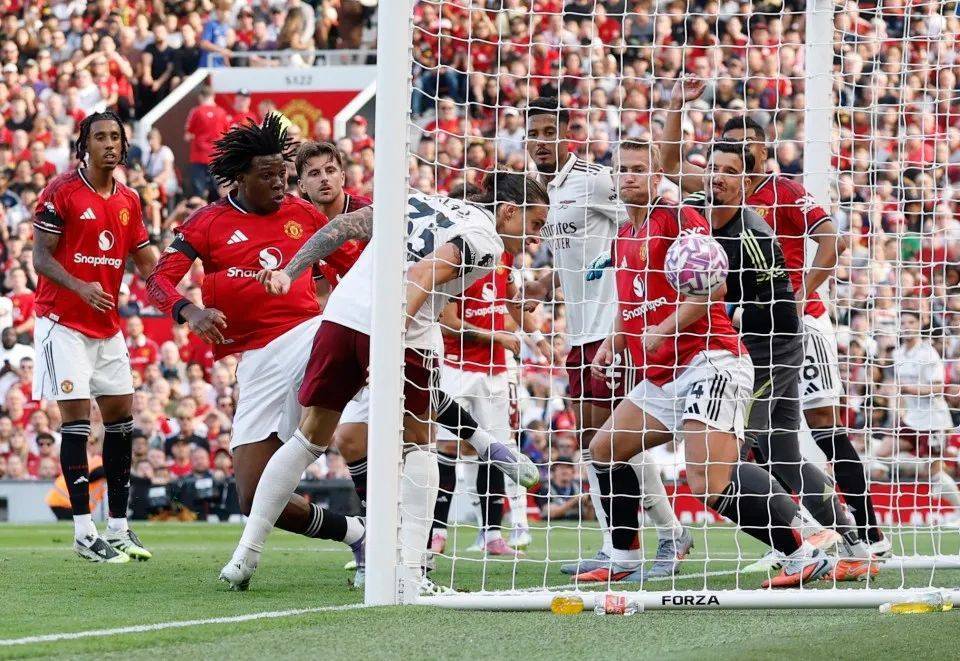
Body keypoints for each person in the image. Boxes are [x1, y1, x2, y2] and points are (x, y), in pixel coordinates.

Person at [222, 173, 547, 592]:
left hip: (342, 317)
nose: (536, 238)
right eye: (535, 224)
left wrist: (290, 270)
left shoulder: (419, 200)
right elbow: (422, 275)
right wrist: (391, 341)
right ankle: (410, 574)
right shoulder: (485, 240)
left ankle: (244, 556)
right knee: (420, 445)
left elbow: (343, 227)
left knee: (309, 437)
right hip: (401, 331)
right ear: (508, 211)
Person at [580, 139, 830, 589]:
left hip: (710, 362)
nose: (629, 176)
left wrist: (664, 328)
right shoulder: (624, 236)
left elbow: (714, 288)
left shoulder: (680, 219)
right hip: (664, 375)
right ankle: (622, 556)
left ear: (658, 176)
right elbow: (630, 300)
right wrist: (612, 342)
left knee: (707, 484)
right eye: (623, 169)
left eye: (639, 168)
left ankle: (802, 552)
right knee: (604, 450)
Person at [662, 77, 886, 556]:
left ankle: (815, 537)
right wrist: (677, 105)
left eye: (738, 159)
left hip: (776, 339)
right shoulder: (710, 201)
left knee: (750, 445)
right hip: (755, 341)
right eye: (716, 163)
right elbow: (670, 166)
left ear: (756, 163)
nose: (719, 173)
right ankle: (852, 541)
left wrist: (801, 294)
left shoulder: (760, 222)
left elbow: (816, 255)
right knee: (782, 452)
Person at [146, 115, 367, 583]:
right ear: (240, 178)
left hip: (308, 336)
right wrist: (189, 312)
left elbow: (354, 263)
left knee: (354, 411)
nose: (280, 184)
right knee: (252, 496)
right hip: (257, 362)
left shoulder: (304, 214)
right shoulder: (207, 222)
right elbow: (158, 280)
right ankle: (357, 534)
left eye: (282, 174)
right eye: (267, 175)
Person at [522, 96, 689, 579]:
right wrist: (545, 283)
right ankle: (621, 544)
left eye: (550, 133)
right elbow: (579, 254)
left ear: (568, 135)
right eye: (533, 135)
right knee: (595, 444)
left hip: (612, 330)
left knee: (613, 442)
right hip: (578, 333)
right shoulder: (546, 190)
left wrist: (630, 286)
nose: (541, 142)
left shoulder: (596, 179)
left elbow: (645, 220)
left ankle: (660, 536)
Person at [31, 110, 157, 563]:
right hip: (62, 323)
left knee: (122, 418)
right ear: (84, 145)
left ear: (124, 146)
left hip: (107, 327)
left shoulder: (129, 199)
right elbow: (40, 259)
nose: (109, 144)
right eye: (100, 137)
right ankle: (84, 532)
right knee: (77, 422)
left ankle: (118, 527)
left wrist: (179, 294)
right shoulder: (61, 191)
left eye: (115, 137)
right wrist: (80, 286)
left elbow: (146, 259)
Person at [892, 311, 960, 526]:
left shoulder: (928, 353)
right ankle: (922, 468)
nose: (906, 326)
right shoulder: (898, 353)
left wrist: (911, 389)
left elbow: (939, 387)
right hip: (911, 418)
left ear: (919, 325)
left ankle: (959, 510)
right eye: (903, 322)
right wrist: (900, 409)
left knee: (935, 470)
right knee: (883, 451)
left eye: (911, 322)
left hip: (933, 419)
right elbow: (899, 389)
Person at [184, 85, 229, 201]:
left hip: (198, 156)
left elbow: (187, 135)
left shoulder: (196, 111)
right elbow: (227, 133)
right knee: (218, 193)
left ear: (200, 97)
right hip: (217, 157)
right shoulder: (222, 112)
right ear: (213, 96)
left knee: (198, 194)